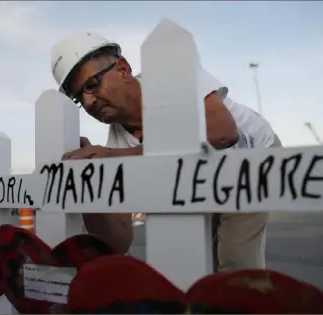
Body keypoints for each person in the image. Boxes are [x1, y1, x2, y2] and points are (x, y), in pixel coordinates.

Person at [50, 32, 282, 270]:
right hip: (202, 180)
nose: (88, 103)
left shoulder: (171, 75)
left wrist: (114, 158)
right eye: (79, 97)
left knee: (235, 260)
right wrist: (91, 187)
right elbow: (119, 241)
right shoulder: (118, 142)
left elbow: (222, 133)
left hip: (248, 157)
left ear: (122, 68)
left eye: (91, 85)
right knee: (200, 265)